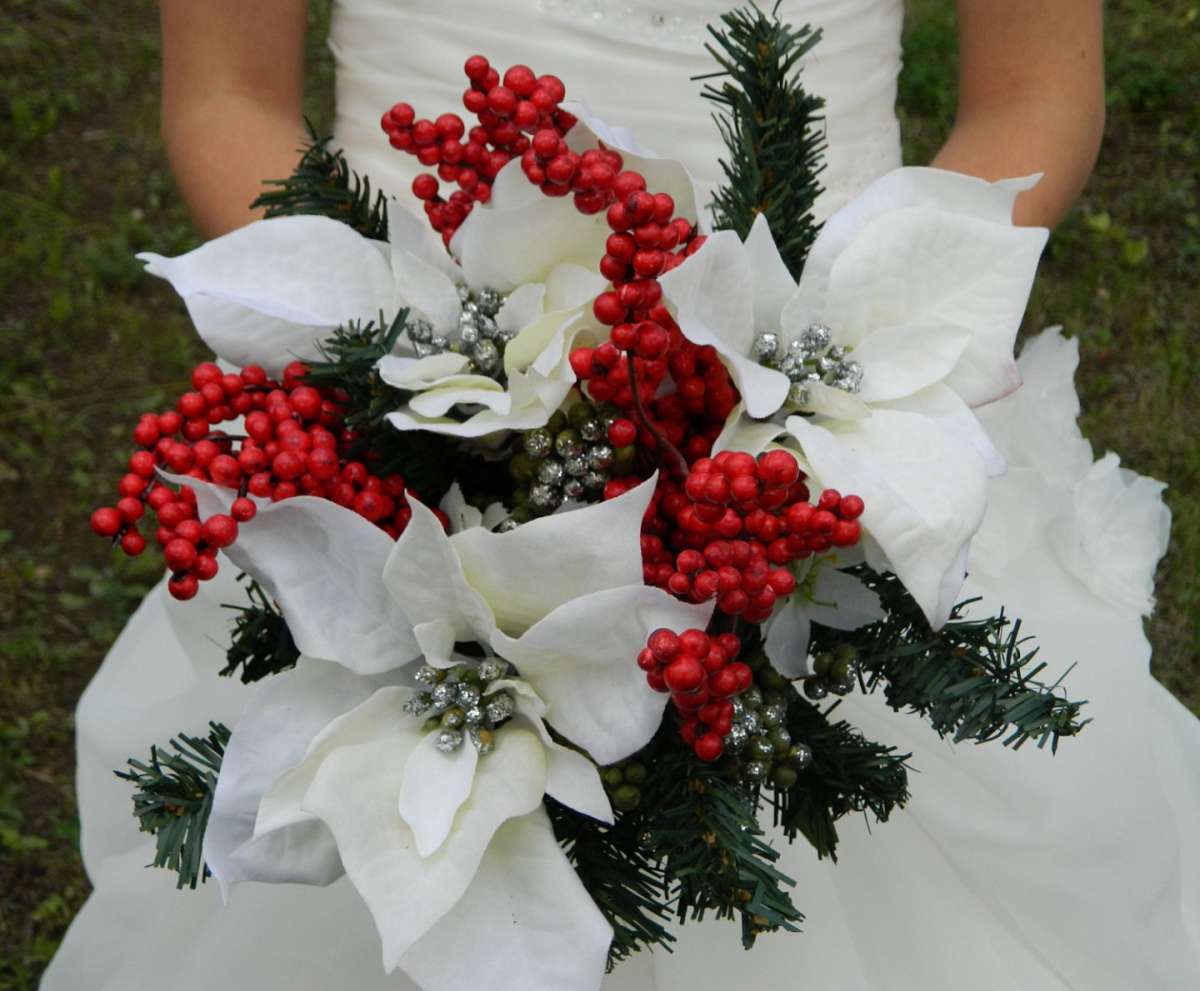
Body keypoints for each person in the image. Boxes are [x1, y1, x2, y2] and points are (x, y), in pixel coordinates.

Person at [43, 2, 1200, 989]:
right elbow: (225, 94)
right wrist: (412, 405)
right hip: (412, 402)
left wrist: (774, 422)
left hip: (820, 425)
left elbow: (1032, 99)